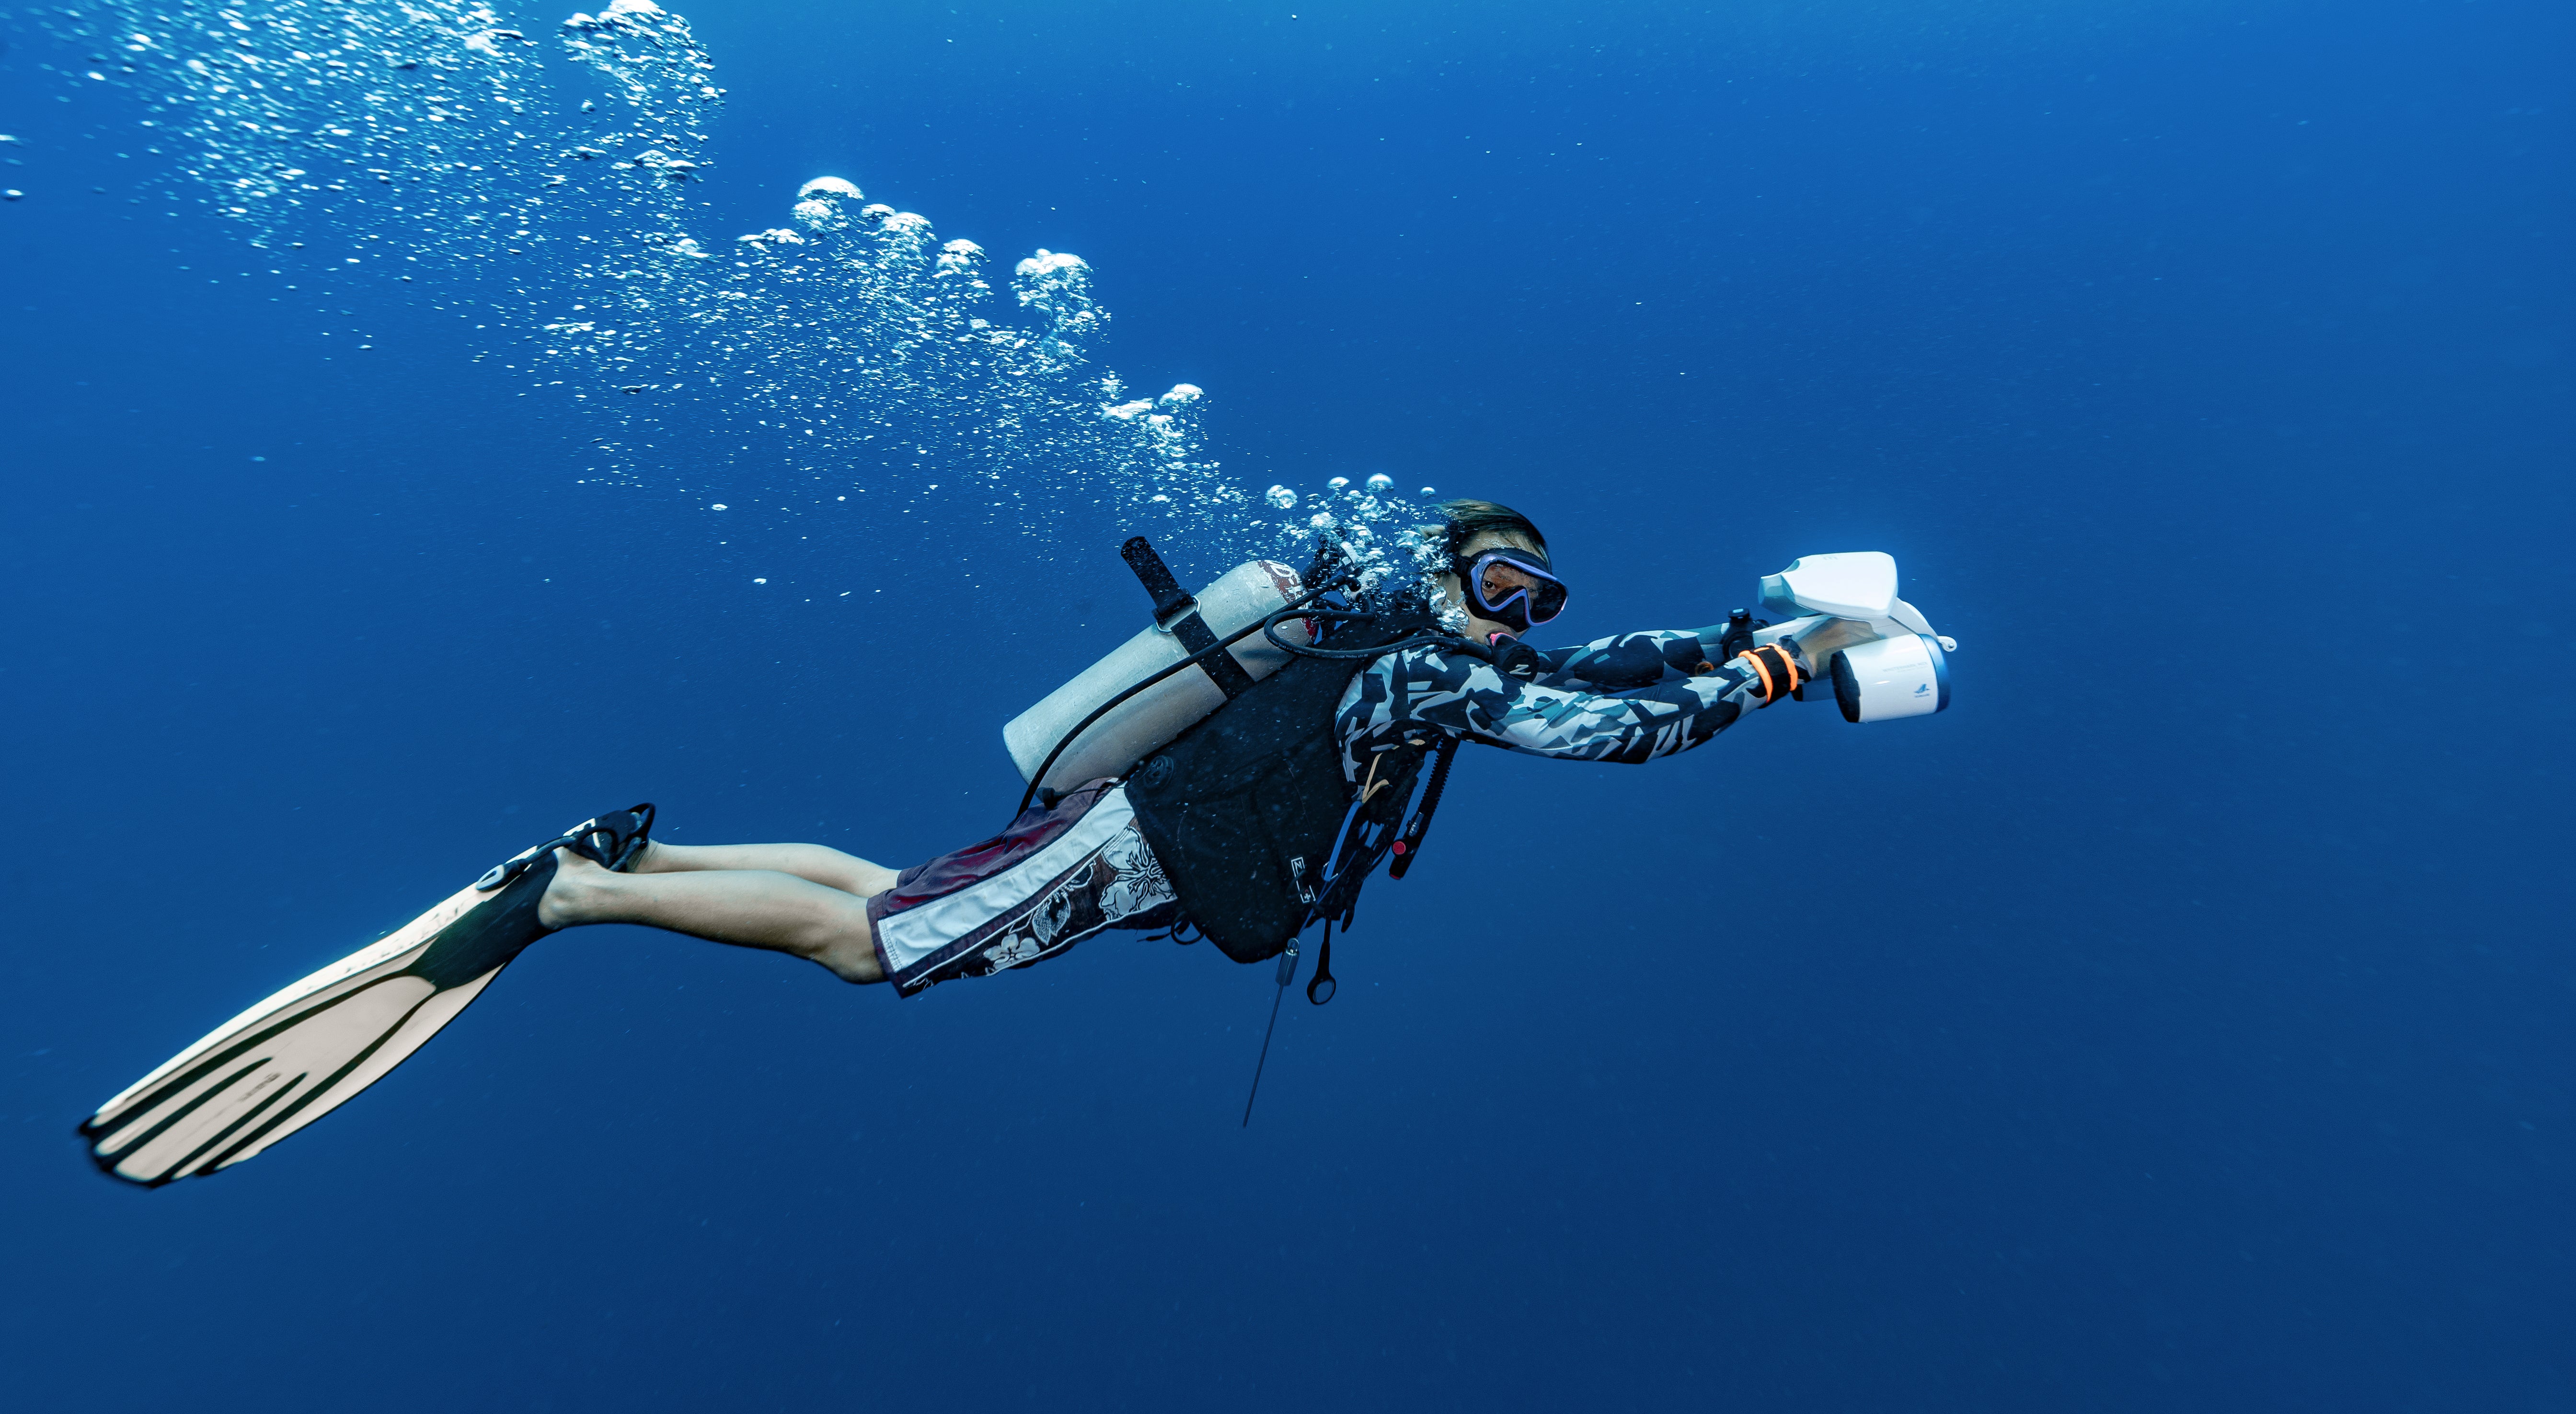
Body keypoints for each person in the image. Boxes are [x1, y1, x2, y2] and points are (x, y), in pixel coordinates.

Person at [534, 499, 1872, 994]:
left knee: (893, 890)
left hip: (1135, 833)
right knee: (870, 946)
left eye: (1537, 601)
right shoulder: (1418, 670)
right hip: (1140, 844)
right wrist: (1776, 672)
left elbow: (1608, 666)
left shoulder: (1421, 662)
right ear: (1448, 577)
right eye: (1503, 586)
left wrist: (1755, 632)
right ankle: (581, 896)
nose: (1518, 619)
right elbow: (1613, 734)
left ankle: (648, 855)